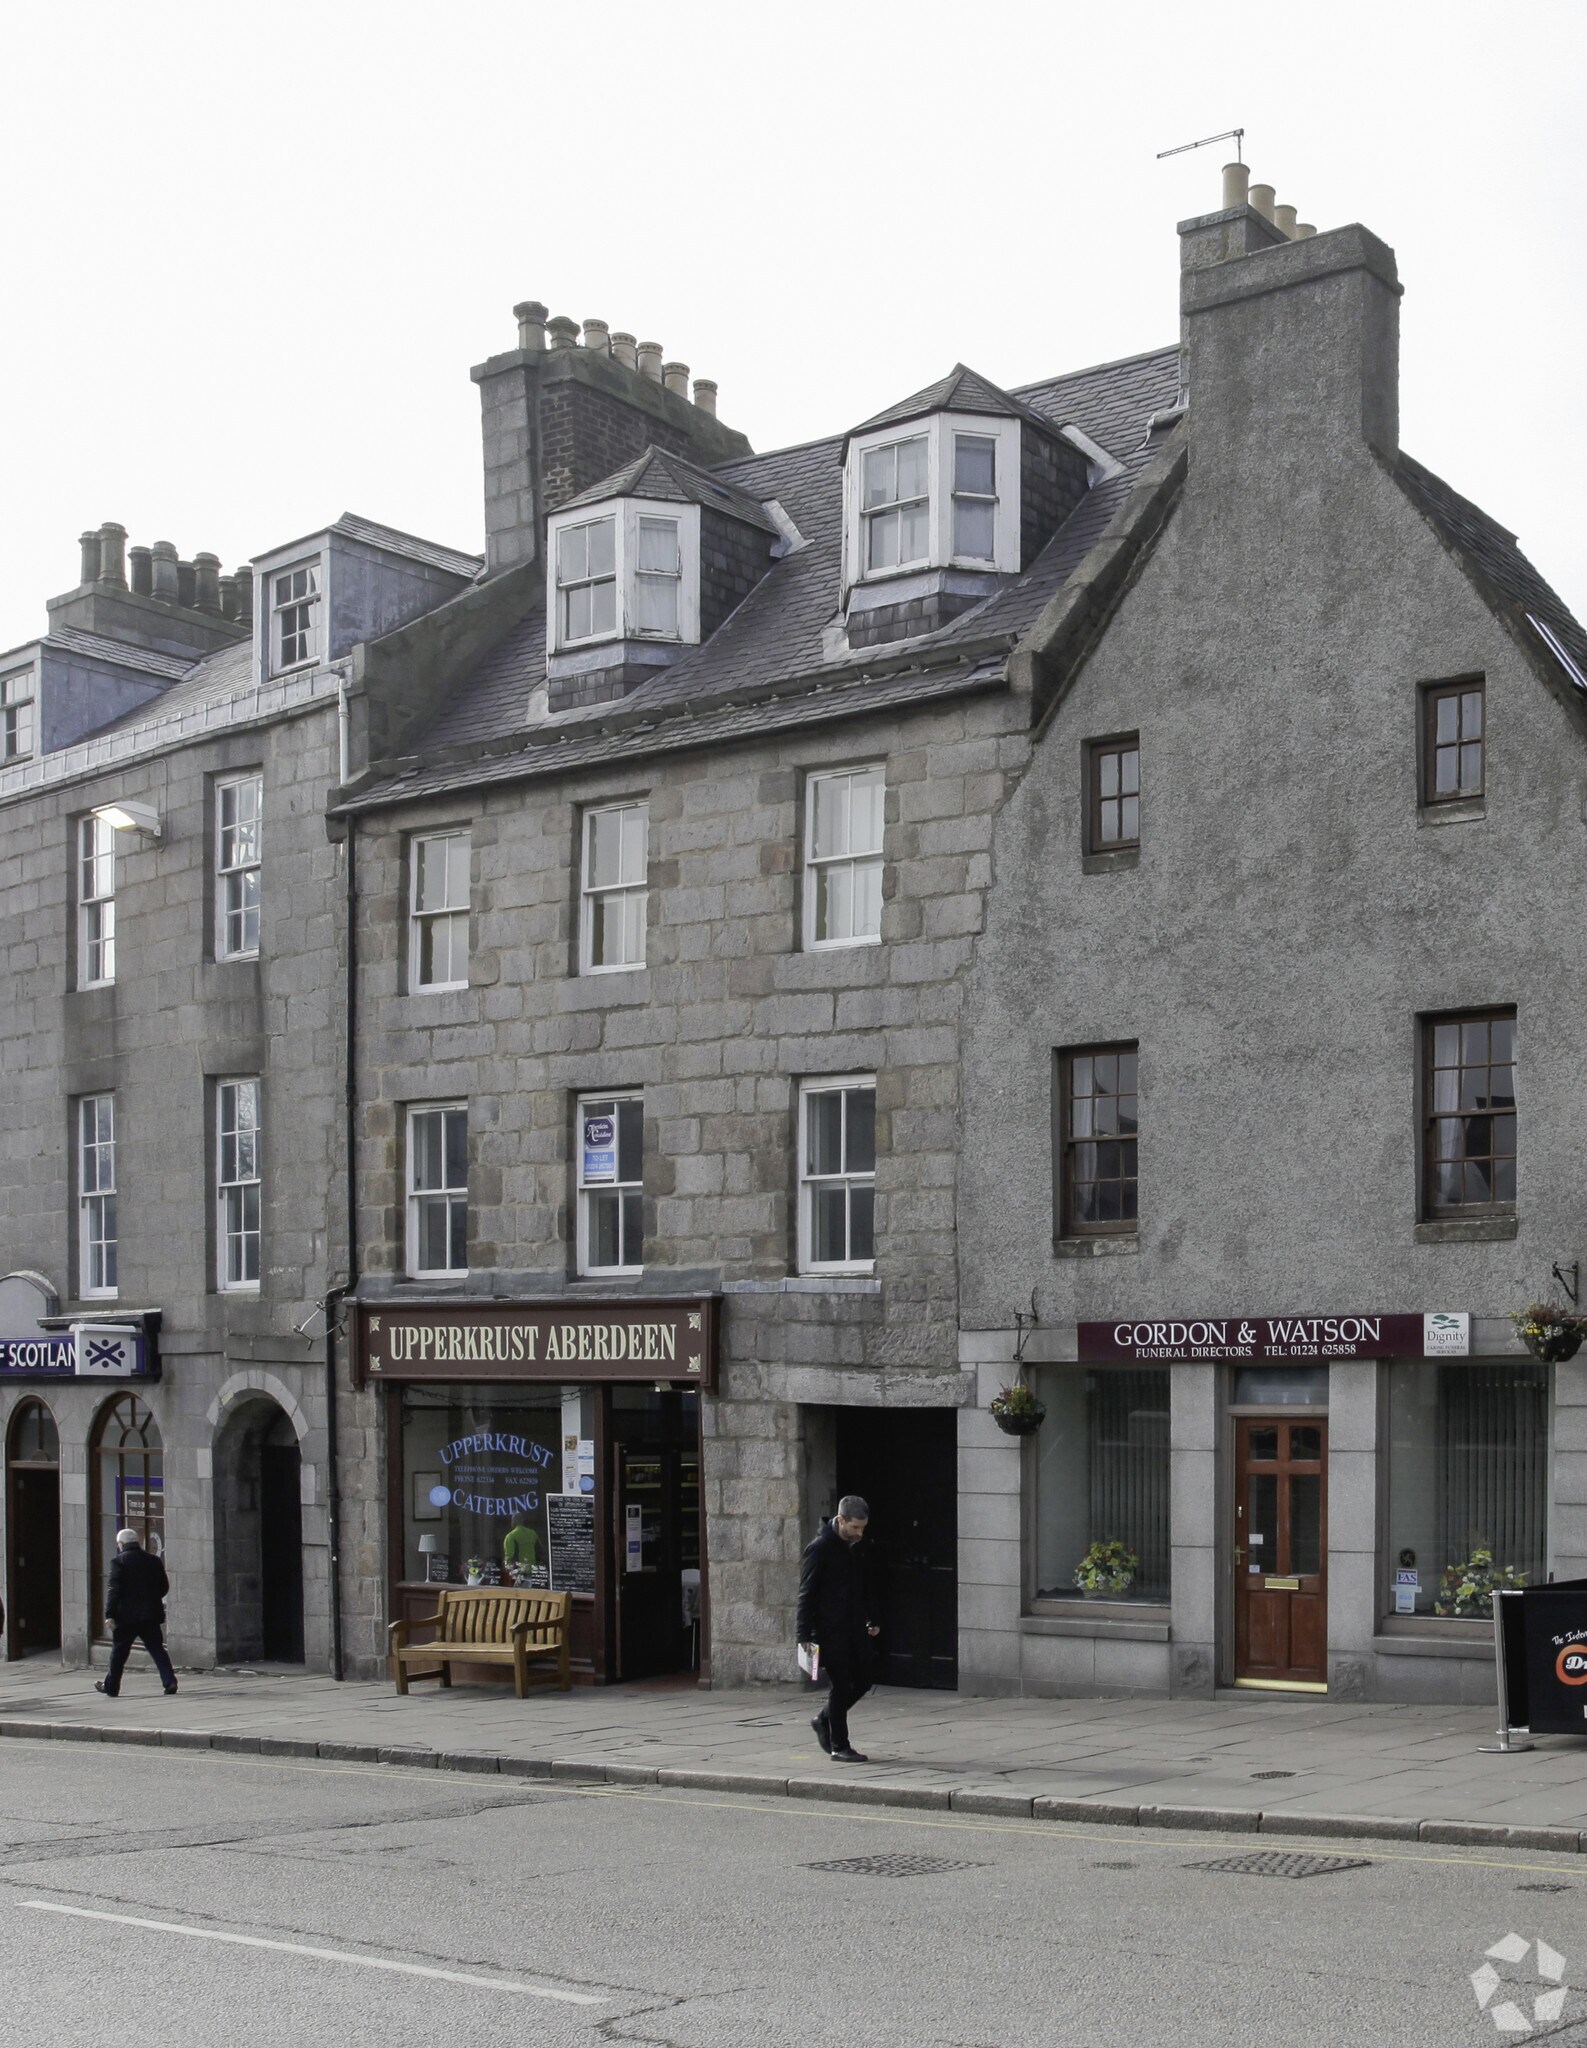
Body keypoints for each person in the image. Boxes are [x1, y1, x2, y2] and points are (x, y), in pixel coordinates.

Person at [796, 1494, 880, 1763]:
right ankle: (839, 1746)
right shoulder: (819, 1548)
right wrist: (803, 1635)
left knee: (864, 1680)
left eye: (863, 1528)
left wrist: (871, 1618)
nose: (860, 1533)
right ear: (841, 1520)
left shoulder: (855, 1546)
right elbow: (806, 1594)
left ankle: (823, 1719)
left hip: (854, 1626)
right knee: (841, 1685)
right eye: (855, 1527)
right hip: (829, 1630)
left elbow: (862, 1585)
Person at [95, 1528, 178, 1698]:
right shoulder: (153, 1560)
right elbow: (164, 1586)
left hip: (126, 1617)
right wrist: (151, 1600)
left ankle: (112, 1687)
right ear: (137, 1542)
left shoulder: (118, 1562)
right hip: (150, 1615)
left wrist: (109, 1614)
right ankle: (170, 1681)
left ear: (121, 1544)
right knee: (157, 1649)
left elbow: (113, 1590)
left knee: (119, 1653)